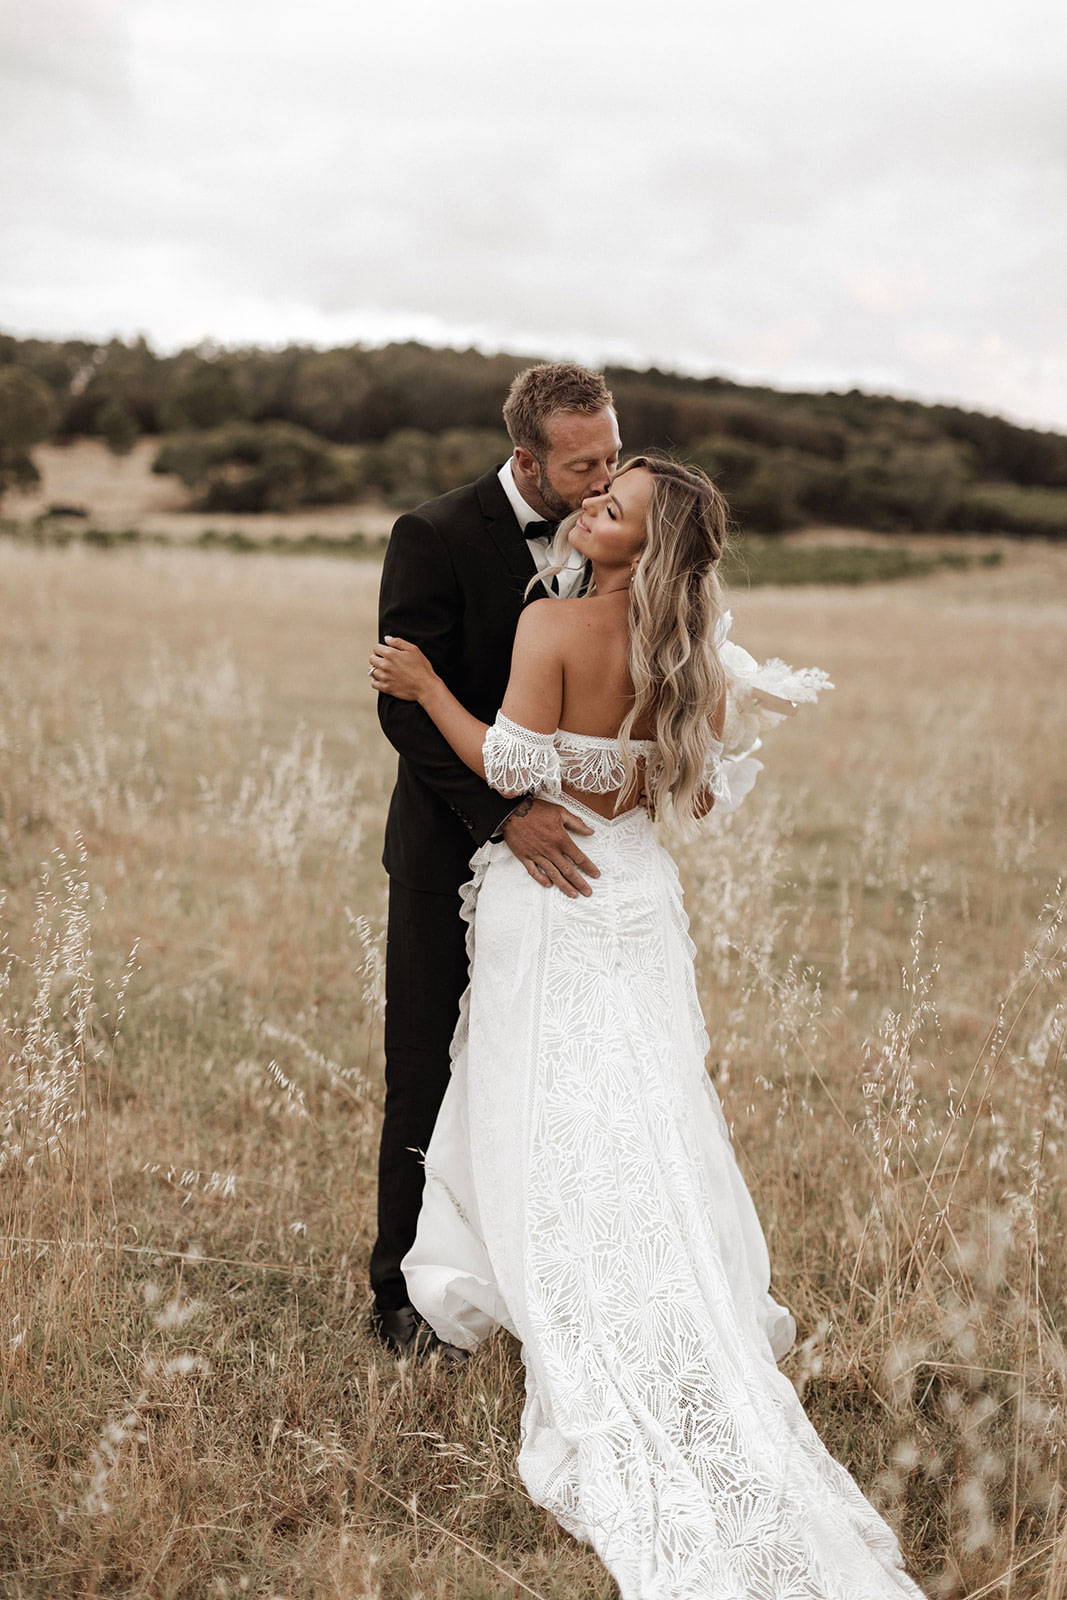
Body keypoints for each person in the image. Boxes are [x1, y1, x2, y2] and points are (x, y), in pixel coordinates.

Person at [368, 457, 925, 1599]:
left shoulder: (558, 627)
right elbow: (698, 790)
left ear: (635, 546)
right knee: (643, 1100)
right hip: (630, 894)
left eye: (609, 507)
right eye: (593, 489)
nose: (589, 507)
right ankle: (658, 1284)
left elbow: (504, 764)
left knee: (542, 1096)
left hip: (551, 898)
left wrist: (426, 686)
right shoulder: (695, 656)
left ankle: (561, 1285)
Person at [370, 362, 622, 1360]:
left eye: (610, 452)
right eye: (581, 464)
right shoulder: (430, 535)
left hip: (567, 865)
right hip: (448, 849)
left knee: (543, 1072)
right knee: (423, 1063)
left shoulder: (612, 542)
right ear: (526, 459)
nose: (603, 478)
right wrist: (501, 812)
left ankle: (531, 1278)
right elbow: (402, 704)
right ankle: (400, 1293)